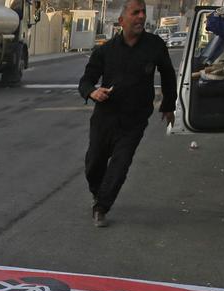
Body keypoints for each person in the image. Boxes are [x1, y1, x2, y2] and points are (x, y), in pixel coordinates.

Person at [78, 0, 176, 227]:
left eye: (143, 12)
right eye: (135, 13)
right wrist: (93, 92)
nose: (141, 17)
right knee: (94, 163)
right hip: (105, 117)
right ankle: (98, 191)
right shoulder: (105, 51)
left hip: (135, 119)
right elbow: (85, 81)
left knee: (120, 164)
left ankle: (101, 206)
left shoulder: (155, 46)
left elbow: (168, 75)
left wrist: (168, 105)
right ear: (122, 20)